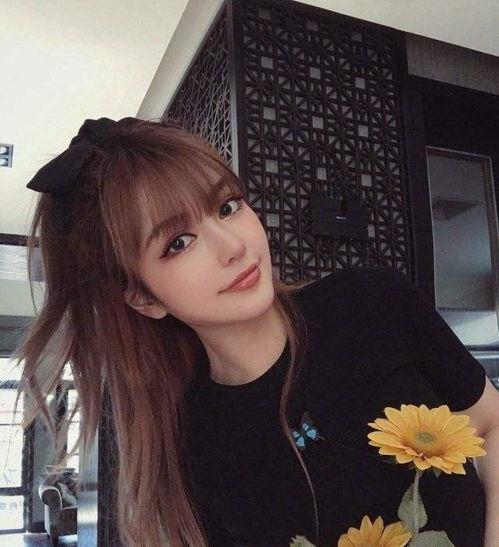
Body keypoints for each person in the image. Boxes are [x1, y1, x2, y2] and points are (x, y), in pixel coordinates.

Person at [14, 116, 488, 546]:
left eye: (227, 206)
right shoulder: (189, 443)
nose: (233, 246)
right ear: (144, 298)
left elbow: (490, 423)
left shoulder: (371, 304)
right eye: (179, 243)